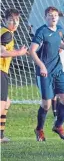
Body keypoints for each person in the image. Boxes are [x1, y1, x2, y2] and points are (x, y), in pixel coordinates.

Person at [29, 6, 64, 141]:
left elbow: (59, 41)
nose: (53, 17)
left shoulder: (59, 30)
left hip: (58, 70)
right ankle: (39, 129)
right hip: (44, 73)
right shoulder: (41, 32)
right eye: (50, 15)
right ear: (45, 17)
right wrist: (41, 66)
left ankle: (58, 126)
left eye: (55, 15)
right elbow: (32, 50)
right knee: (46, 104)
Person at [0, 8, 28, 143]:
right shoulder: (7, 35)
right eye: (11, 20)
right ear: (5, 21)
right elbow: (2, 52)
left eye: (17, 20)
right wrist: (18, 53)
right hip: (0, 72)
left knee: (7, 103)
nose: (14, 23)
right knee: (1, 105)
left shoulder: (4, 32)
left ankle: (0, 135)